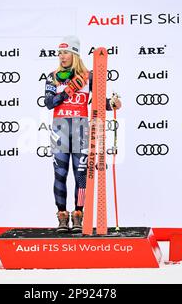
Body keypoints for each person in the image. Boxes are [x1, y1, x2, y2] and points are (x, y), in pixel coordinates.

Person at [44, 35, 122, 233]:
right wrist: (67, 92)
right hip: (60, 128)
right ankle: (62, 215)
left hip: (81, 128)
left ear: (75, 55)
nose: (62, 56)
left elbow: (99, 102)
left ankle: (78, 214)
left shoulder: (88, 76)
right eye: (60, 53)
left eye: (66, 53)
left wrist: (112, 103)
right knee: (60, 174)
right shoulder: (52, 76)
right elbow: (49, 103)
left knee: (81, 175)